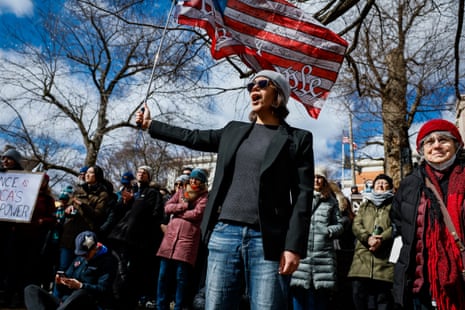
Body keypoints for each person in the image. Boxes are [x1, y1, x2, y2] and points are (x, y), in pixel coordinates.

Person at [135, 69, 314, 310]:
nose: (254, 89)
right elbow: (193, 137)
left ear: (278, 93)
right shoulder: (233, 131)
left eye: (262, 84)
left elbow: (303, 195)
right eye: (250, 86)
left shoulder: (297, 139)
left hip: (268, 241)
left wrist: (293, 247)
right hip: (223, 235)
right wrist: (150, 125)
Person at [391, 119, 465, 310]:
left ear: (457, 145)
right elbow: (399, 223)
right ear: (422, 149)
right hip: (421, 284)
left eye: (444, 139)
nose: (437, 145)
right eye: (429, 141)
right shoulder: (409, 184)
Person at [107, 165, 165, 310]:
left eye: (145, 172)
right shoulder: (130, 192)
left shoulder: (153, 193)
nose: (141, 173)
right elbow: (118, 213)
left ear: (149, 177)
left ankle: (126, 301)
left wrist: (135, 202)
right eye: (139, 171)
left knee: (129, 273)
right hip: (119, 236)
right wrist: (125, 202)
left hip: (136, 241)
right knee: (116, 269)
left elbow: (155, 215)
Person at [290, 168, 344, 310]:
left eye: (320, 177)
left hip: (323, 256)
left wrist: (328, 231)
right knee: (298, 296)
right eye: (313, 177)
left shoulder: (331, 202)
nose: (316, 180)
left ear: (324, 181)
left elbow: (340, 225)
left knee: (320, 299)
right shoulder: (299, 198)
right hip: (301, 255)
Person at [156, 168, 209, 310]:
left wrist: (179, 214)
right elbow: (167, 207)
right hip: (170, 239)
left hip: (187, 241)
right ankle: (161, 306)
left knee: (181, 277)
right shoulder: (181, 192)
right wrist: (182, 206)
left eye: (197, 179)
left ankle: (179, 306)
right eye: (192, 178)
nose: (193, 181)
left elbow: (197, 214)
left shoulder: (204, 196)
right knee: (163, 275)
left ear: (202, 181)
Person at [24, 230, 117, 310]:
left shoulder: (108, 261)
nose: (83, 257)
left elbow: (103, 290)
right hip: (66, 302)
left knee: (81, 293)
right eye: (81, 255)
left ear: (95, 248)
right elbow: (67, 280)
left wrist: (81, 286)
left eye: (86, 255)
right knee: (31, 289)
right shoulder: (79, 259)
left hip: (88, 303)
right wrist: (60, 282)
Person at [348, 173, 395, 310]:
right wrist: (367, 238)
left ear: (390, 187)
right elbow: (356, 225)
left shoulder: (394, 205)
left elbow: (397, 226)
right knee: (359, 297)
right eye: (378, 182)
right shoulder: (365, 205)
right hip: (362, 259)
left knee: (383, 299)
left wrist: (382, 238)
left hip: (384, 261)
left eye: (384, 183)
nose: (380, 185)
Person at [57, 165, 111, 274]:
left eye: (91, 173)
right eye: (87, 172)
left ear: (97, 176)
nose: (87, 174)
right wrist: (68, 209)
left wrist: (82, 205)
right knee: (63, 269)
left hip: (85, 238)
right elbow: (69, 205)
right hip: (69, 235)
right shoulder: (78, 190)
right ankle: (58, 291)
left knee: (79, 271)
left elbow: (98, 215)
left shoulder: (103, 195)